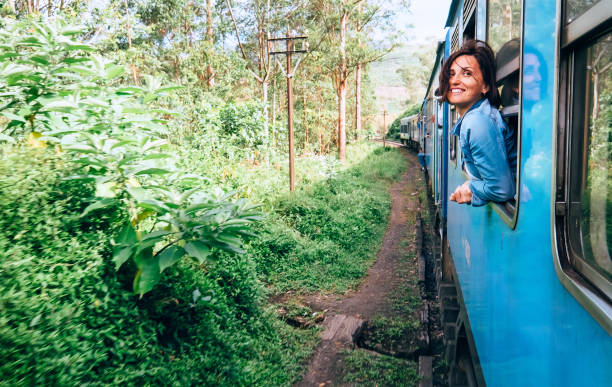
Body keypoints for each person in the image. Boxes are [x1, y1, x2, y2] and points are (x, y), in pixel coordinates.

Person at [438, 40, 517, 206]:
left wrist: (471, 187)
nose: (454, 81)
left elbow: (501, 190)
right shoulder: (477, 117)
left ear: (485, 86)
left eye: (467, 73)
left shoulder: (476, 123)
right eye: (451, 74)